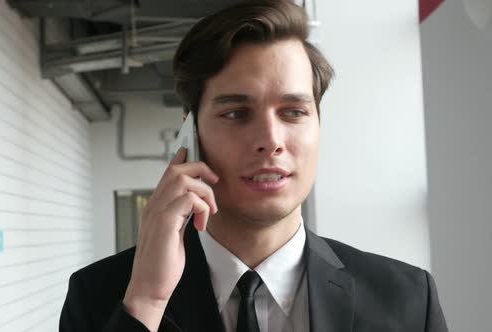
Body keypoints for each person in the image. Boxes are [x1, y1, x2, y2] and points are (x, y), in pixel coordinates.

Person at [59, 0, 449, 331]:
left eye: (294, 112)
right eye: (237, 113)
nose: (272, 140)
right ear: (189, 135)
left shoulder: (408, 300)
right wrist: (146, 302)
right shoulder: (103, 296)